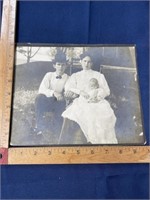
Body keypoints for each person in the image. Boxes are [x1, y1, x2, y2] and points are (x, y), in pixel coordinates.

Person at [62, 52, 118, 144]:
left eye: (89, 62)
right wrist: (80, 92)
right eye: (84, 61)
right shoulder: (76, 75)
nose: (86, 64)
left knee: (102, 113)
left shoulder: (98, 75)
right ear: (81, 61)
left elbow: (106, 90)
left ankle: (101, 140)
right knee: (88, 112)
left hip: (97, 101)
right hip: (82, 101)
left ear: (92, 63)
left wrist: (99, 97)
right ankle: (90, 139)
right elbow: (69, 87)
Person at [34, 50, 69, 134]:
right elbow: (42, 89)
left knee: (62, 103)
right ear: (54, 65)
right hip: (47, 101)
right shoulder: (49, 75)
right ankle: (40, 126)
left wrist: (63, 94)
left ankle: (55, 130)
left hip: (58, 103)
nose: (61, 67)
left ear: (66, 66)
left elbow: (68, 89)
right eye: (58, 64)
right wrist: (54, 93)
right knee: (39, 98)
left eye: (63, 65)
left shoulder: (68, 78)